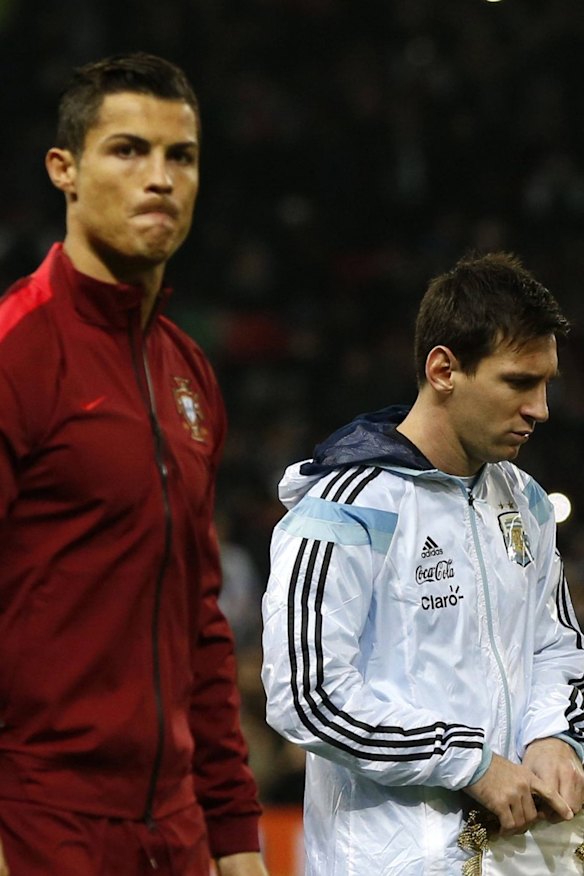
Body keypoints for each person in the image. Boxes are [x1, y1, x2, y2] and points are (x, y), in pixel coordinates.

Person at [0, 52, 268, 876]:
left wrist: (234, 836)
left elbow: (200, 626)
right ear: (65, 171)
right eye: (127, 150)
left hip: (176, 831)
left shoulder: (188, 374)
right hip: (40, 827)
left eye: (179, 155)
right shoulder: (17, 350)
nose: (159, 177)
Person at [262, 251, 584, 874]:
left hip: (523, 860)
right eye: (519, 382)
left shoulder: (527, 504)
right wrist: (470, 762)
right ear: (444, 369)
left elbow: (557, 649)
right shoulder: (347, 507)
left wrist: (552, 737)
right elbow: (306, 693)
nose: (541, 408)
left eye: (547, 385)